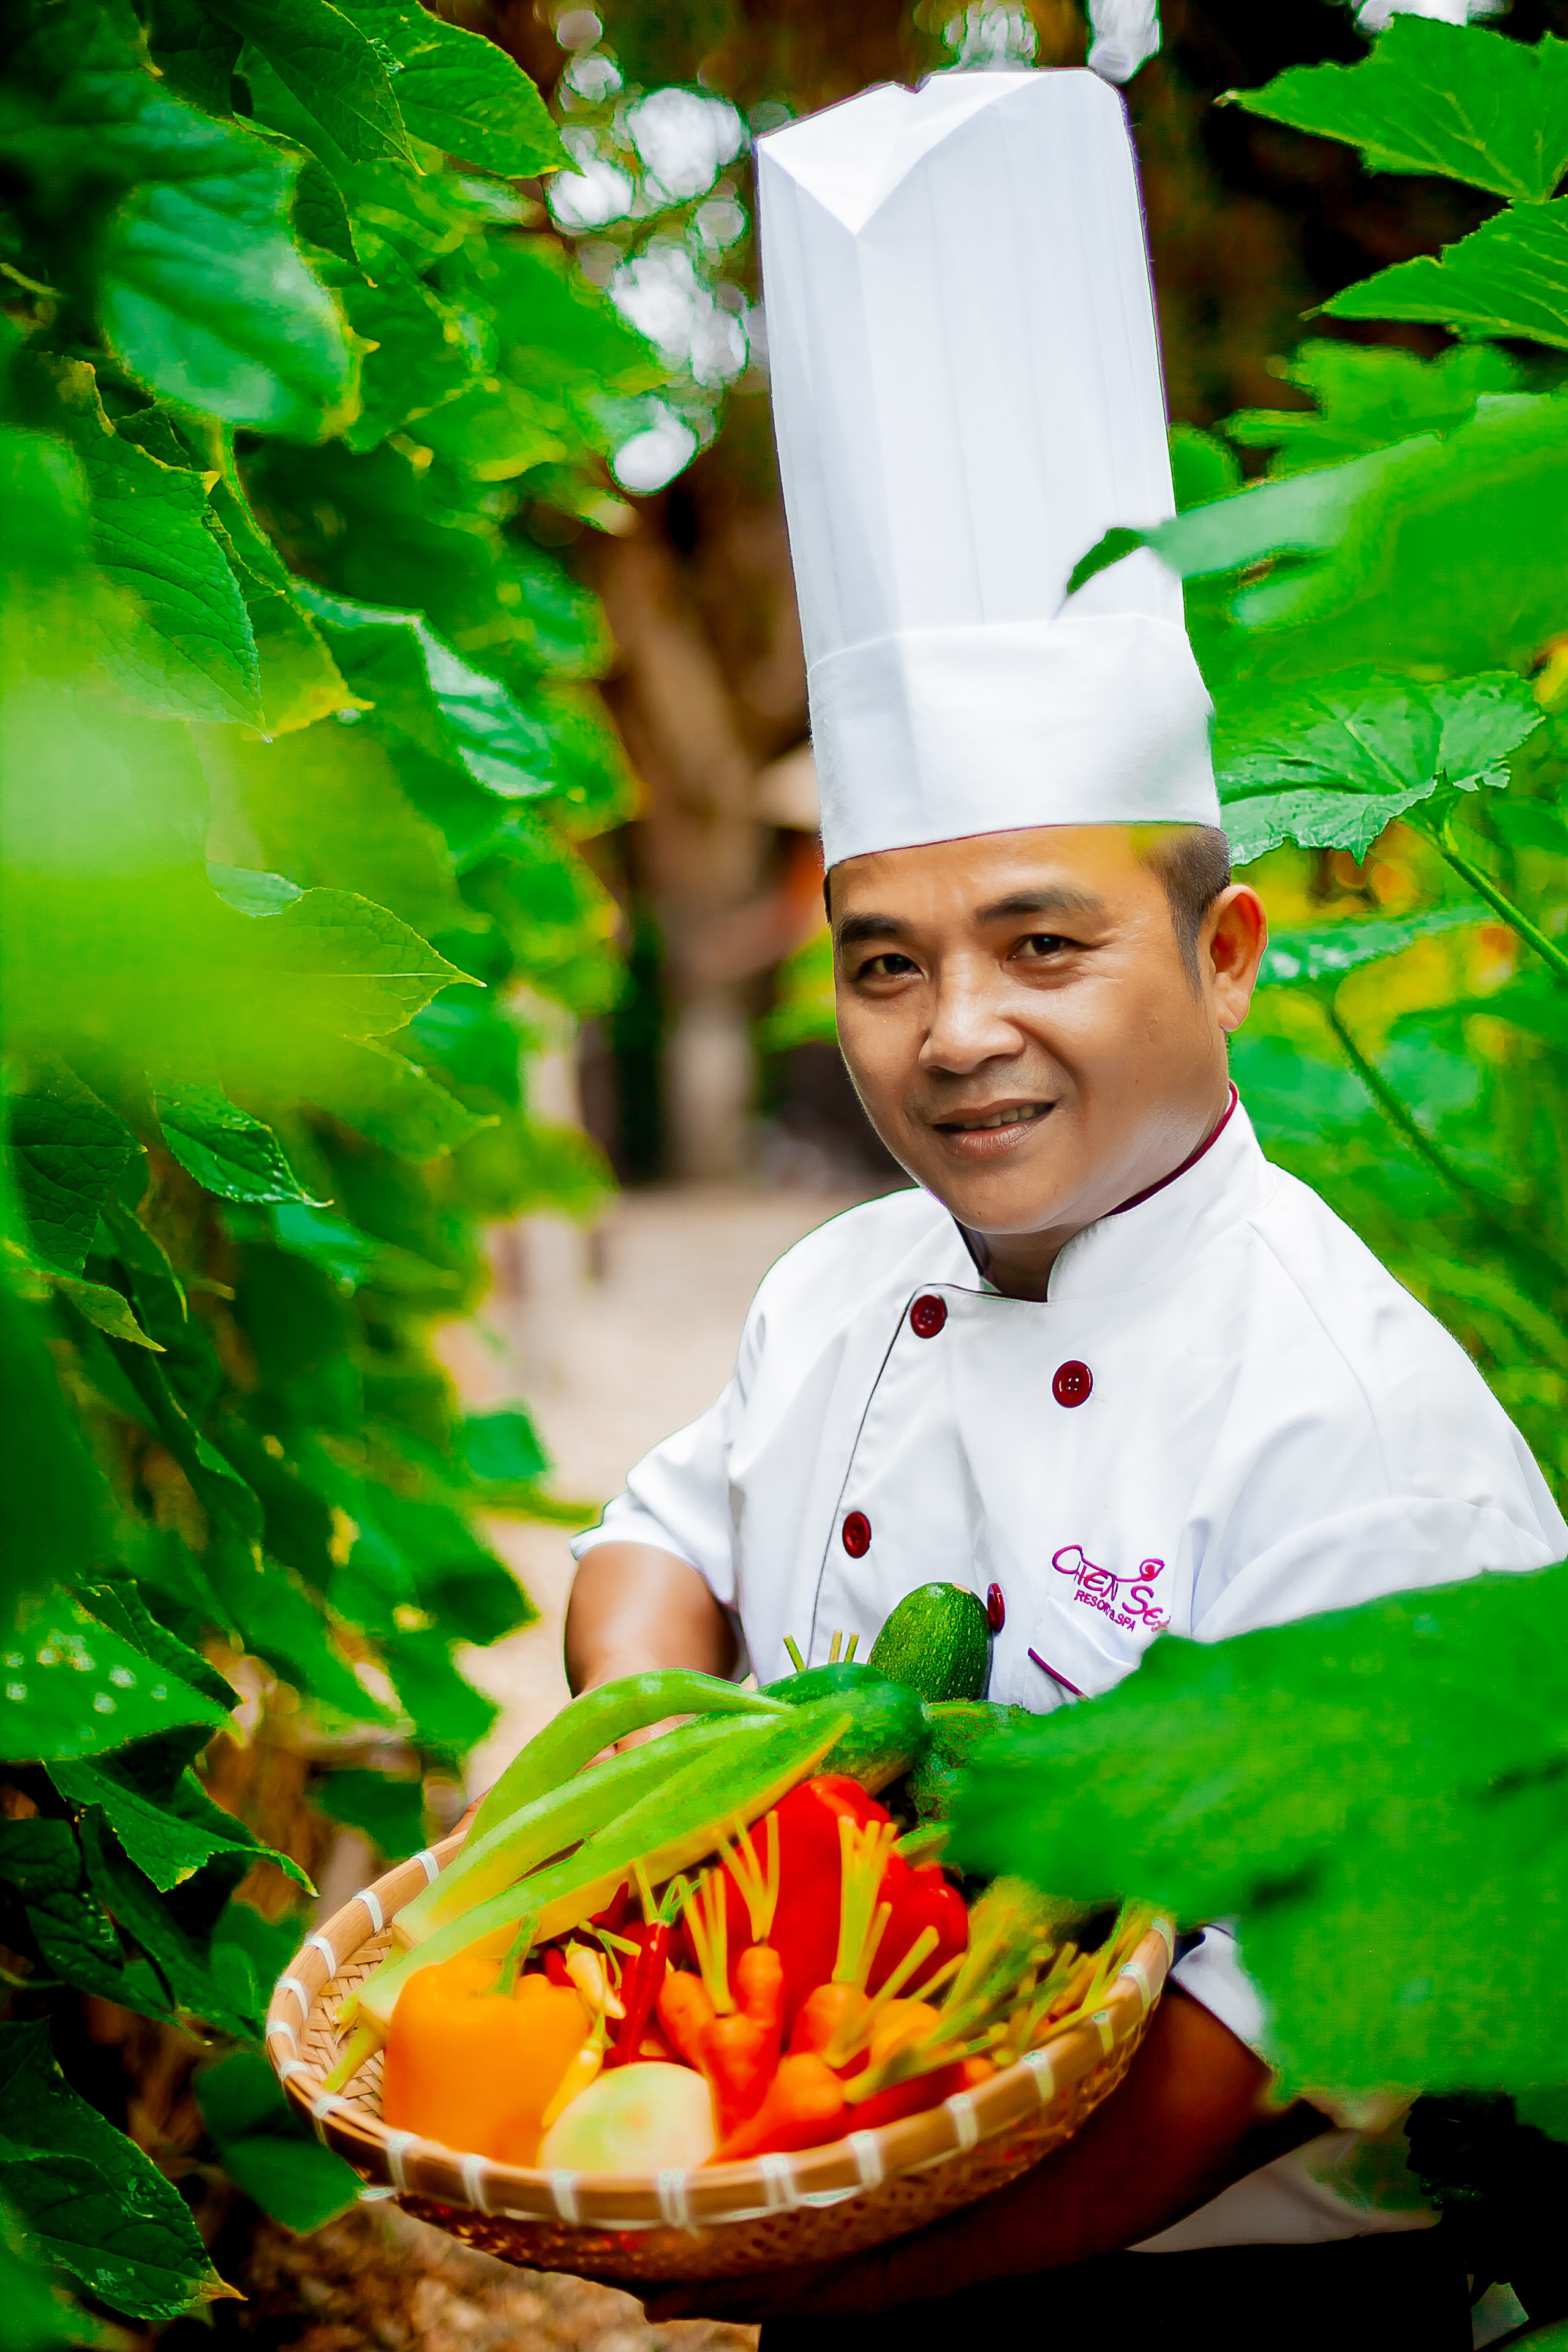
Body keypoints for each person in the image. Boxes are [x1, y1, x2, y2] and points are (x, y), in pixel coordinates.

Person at [562, 67, 1566, 2351]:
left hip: (1204, 2288)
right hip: (836, 2166)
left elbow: (1249, 2049)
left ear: (1222, 961)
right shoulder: (843, 1287)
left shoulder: (1344, 1414)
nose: (954, 1034)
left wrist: (846, 2274)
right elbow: (665, 1539)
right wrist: (661, 1757)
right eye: (888, 965)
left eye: (1044, 945)